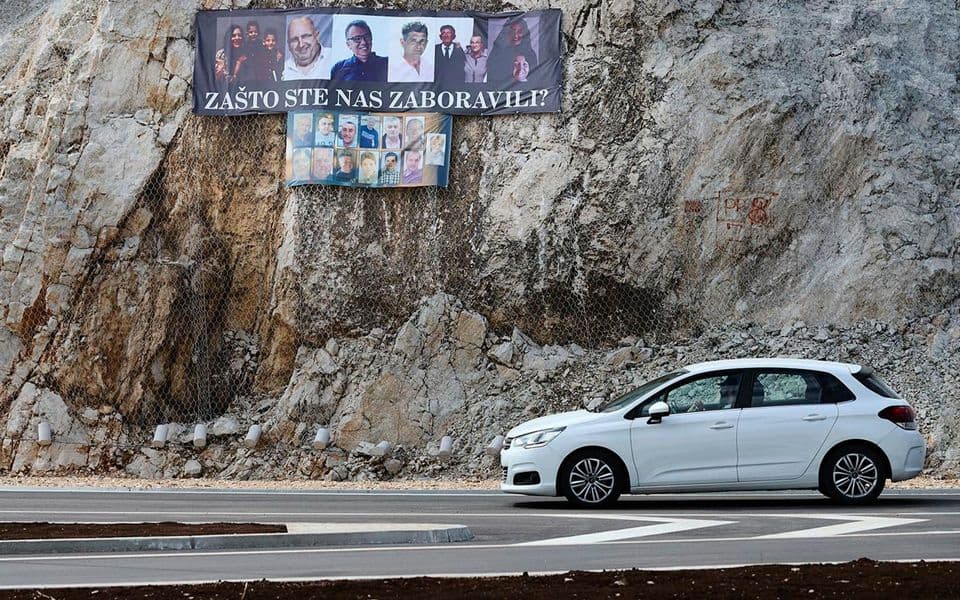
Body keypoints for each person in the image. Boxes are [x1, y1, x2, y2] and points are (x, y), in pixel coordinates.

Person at [487, 17, 538, 85]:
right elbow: (492, 76)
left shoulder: (530, 55)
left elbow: (534, 79)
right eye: (512, 31)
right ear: (507, 33)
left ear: (525, 33)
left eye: (519, 32)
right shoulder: (498, 53)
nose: (516, 35)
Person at [283, 16, 332, 80]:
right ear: (289, 45)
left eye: (305, 36)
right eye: (294, 40)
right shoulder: (283, 69)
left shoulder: (332, 58)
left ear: (317, 36)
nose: (301, 45)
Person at [215, 24, 249, 89]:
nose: (237, 38)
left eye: (239, 35)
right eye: (233, 36)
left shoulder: (246, 54)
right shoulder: (221, 54)